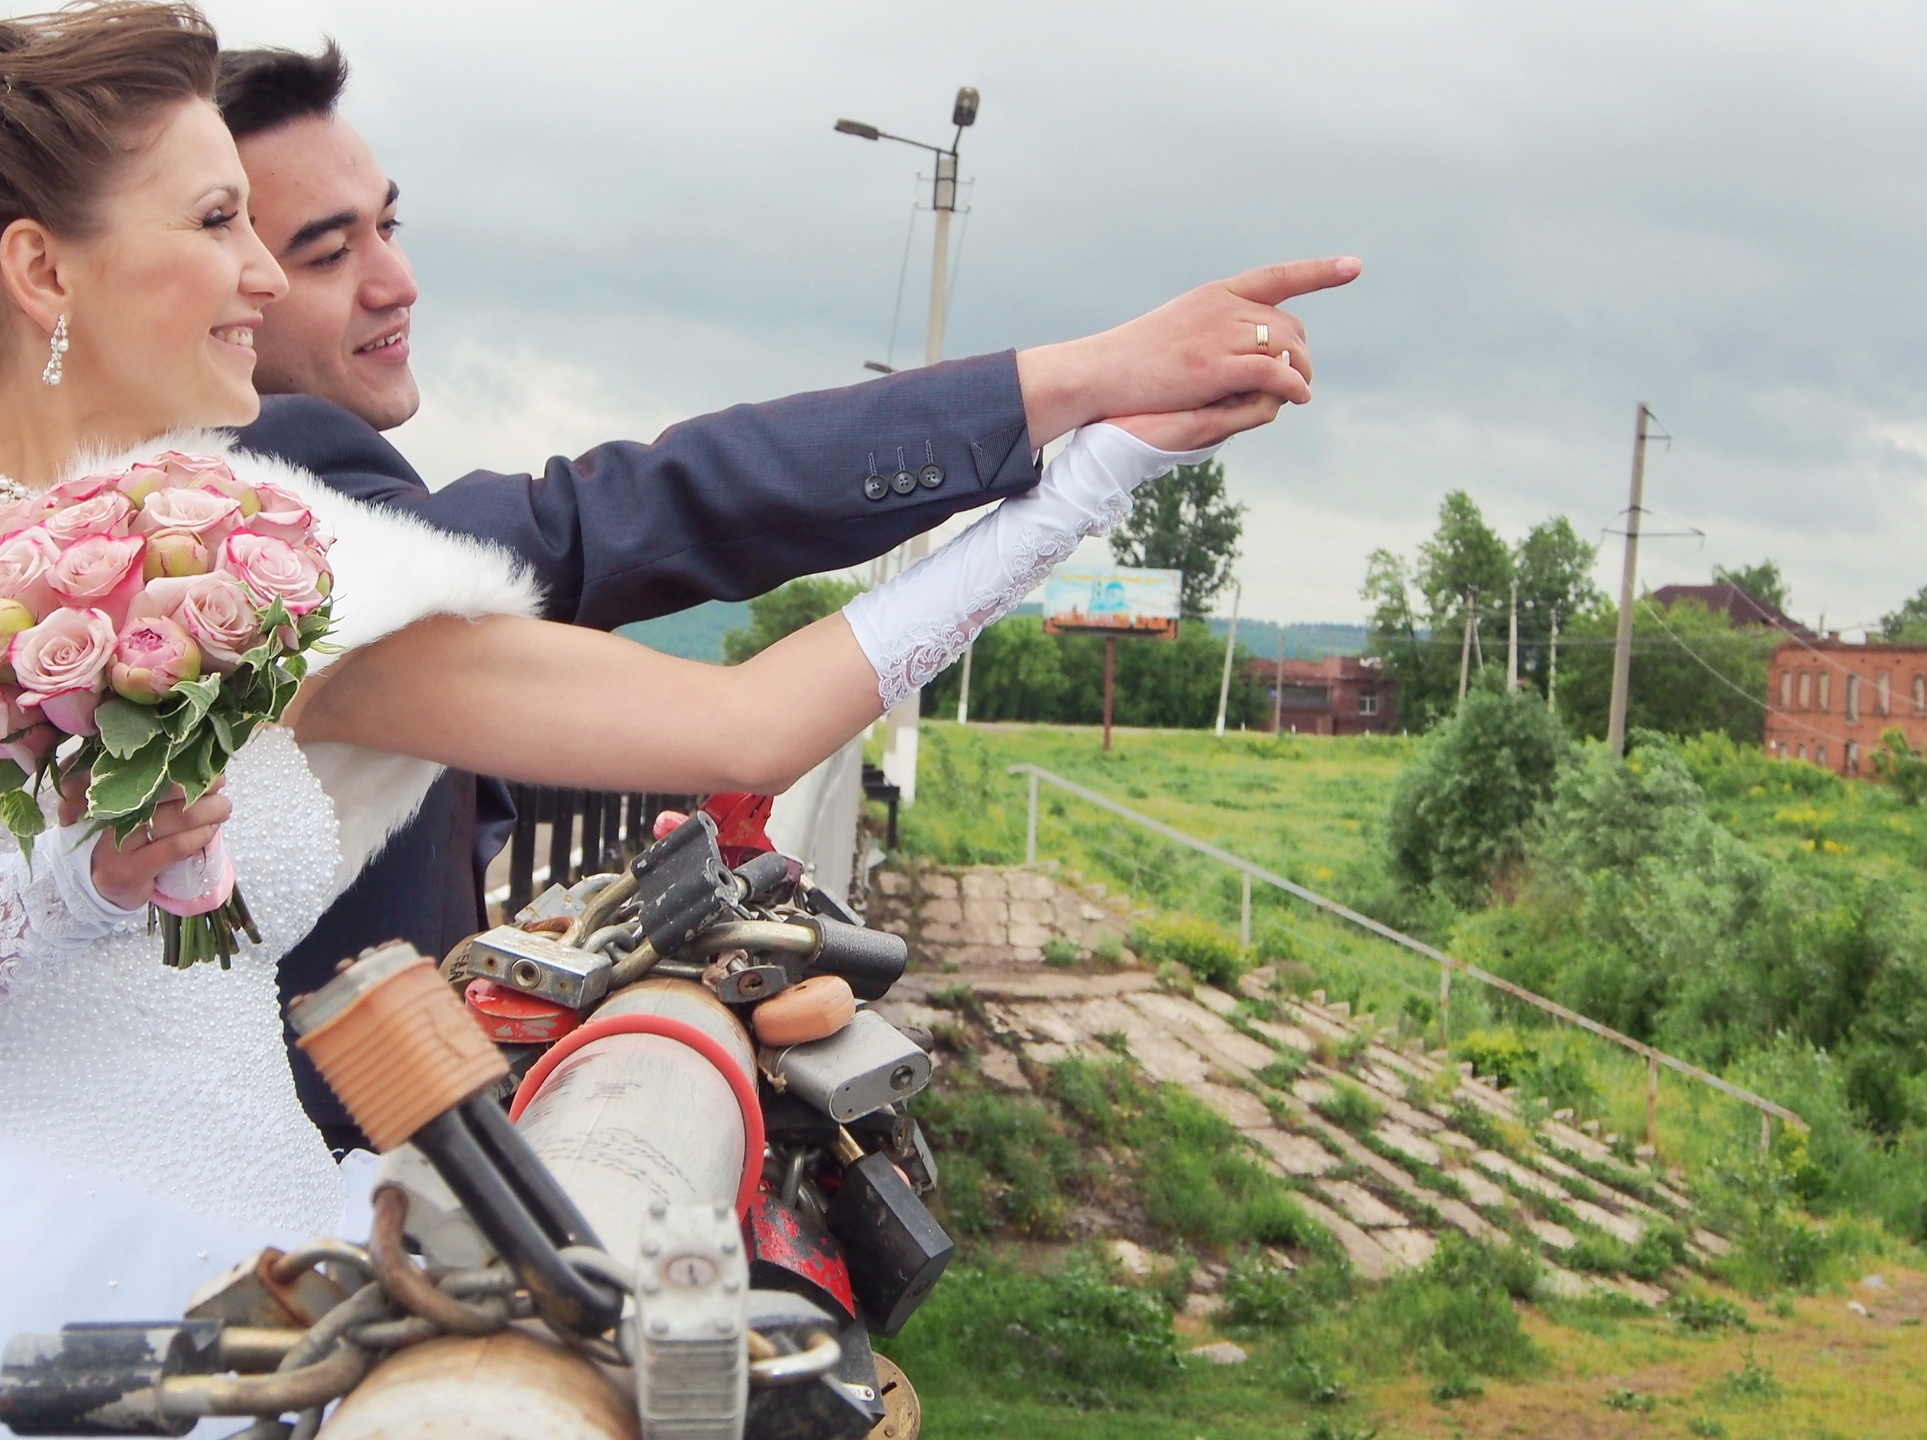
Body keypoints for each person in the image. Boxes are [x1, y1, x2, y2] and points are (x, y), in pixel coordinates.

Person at [0, 5, 1351, 1433]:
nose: (269, 278)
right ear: (41, 273)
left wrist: (1083, 475)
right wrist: (65, 894)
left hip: (276, 1259)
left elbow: (736, 733)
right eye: (222, 221)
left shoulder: (274, 556)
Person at [207, 43, 1339, 1152]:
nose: (396, 280)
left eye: (389, 226)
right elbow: (644, 529)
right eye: (319, 253)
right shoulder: (237, 524)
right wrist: (1089, 415)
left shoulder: (120, 541)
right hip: (302, 1177)